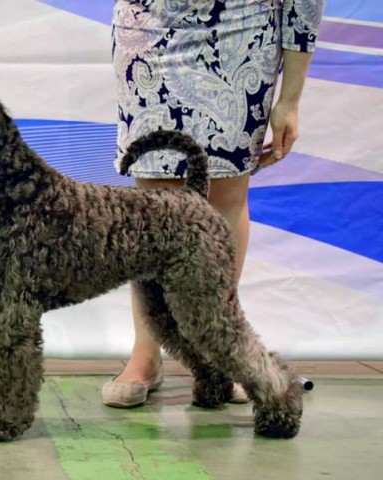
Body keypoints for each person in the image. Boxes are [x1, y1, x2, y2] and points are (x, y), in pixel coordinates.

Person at [102, 0, 325, 407]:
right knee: (153, 201)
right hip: (150, 28)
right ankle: (145, 353)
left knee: (225, 193)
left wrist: (290, 97)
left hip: (243, 31)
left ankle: (223, 353)